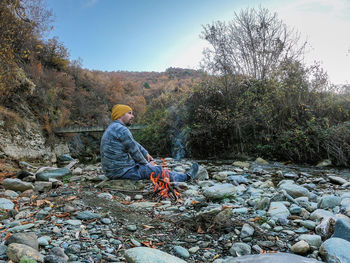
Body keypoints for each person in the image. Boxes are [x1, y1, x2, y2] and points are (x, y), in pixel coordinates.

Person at [100, 104, 199, 182]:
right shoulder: (122, 130)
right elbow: (134, 151)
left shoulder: (113, 128)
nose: (132, 116)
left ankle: (176, 175)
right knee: (157, 170)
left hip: (113, 171)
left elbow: (133, 143)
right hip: (121, 172)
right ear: (120, 115)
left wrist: (146, 153)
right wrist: (147, 165)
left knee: (148, 166)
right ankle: (186, 177)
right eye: (129, 113)